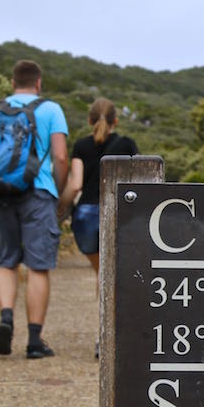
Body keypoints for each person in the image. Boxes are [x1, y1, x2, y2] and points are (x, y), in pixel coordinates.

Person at [0, 59, 69, 359]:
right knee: (38, 265)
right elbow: (61, 157)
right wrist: (57, 192)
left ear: (13, 83)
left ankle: (6, 317)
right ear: (38, 83)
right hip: (37, 193)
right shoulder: (51, 109)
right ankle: (34, 341)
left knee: (5, 261)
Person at [58, 98, 139, 276]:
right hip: (119, 213)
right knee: (116, 275)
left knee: (102, 274)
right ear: (115, 121)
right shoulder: (127, 144)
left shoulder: (80, 146)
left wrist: (60, 207)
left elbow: (76, 185)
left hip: (86, 215)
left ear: (89, 120)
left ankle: (102, 304)